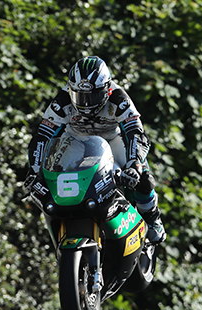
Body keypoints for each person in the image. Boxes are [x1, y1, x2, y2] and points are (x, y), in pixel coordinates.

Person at [25, 56, 166, 244]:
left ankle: (152, 218)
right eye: (79, 96)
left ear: (107, 90)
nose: (85, 103)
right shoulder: (61, 100)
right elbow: (43, 136)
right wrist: (34, 171)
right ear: (70, 89)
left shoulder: (119, 98)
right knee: (53, 173)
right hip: (75, 139)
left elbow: (135, 132)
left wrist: (134, 164)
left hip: (112, 139)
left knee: (143, 177)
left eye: (93, 96)